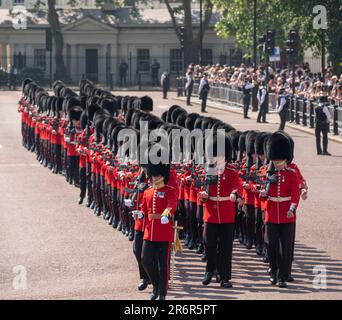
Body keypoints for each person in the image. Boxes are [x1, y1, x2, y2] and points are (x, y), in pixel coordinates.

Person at [199, 133, 243, 288]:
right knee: (209, 243)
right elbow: (200, 189)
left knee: (225, 247)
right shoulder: (207, 171)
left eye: (220, 156)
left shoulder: (231, 171)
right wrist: (203, 195)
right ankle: (209, 271)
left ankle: (224, 276)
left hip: (226, 214)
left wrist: (234, 194)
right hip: (210, 214)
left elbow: (238, 185)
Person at [260, 131, 300, 288]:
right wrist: (263, 194)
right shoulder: (267, 173)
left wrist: (292, 208)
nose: (277, 163)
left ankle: (282, 276)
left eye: (280, 160)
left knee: (285, 247)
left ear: (286, 158)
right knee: (271, 245)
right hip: (271, 214)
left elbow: (295, 194)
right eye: (275, 160)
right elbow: (261, 191)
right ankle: (274, 272)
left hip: (286, 215)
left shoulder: (291, 174)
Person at [139, 148, 178, 300]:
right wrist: (140, 214)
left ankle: (162, 292)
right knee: (145, 259)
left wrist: (166, 213)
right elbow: (143, 208)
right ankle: (155, 285)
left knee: (163, 265)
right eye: (153, 175)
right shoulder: (148, 192)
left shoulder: (170, 190)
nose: (154, 178)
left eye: (157, 175)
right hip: (150, 231)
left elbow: (172, 204)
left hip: (163, 232)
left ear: (163, 175)